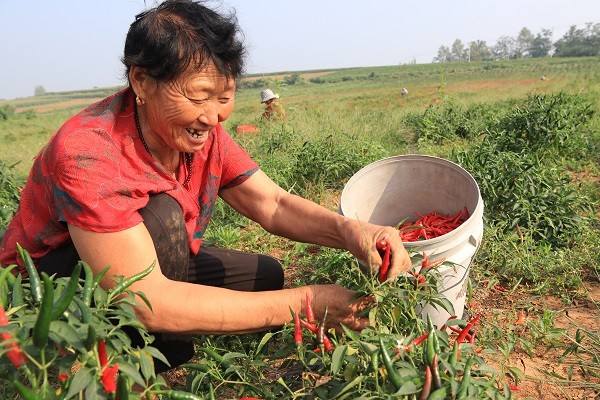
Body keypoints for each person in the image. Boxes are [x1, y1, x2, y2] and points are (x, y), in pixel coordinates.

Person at [0, 0, 411, 372]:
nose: (214, 117)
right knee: (162, 216)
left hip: (139, 260)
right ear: (141, 82)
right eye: (199, 97)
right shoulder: (88, 152)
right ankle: (149, 356)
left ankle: (174, 326)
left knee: (266, 277)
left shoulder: (197, 133)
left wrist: (352, 231)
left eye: (225, 97)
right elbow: (143, 296)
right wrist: (308, 303)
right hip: (55, 286)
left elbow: (272, 204)